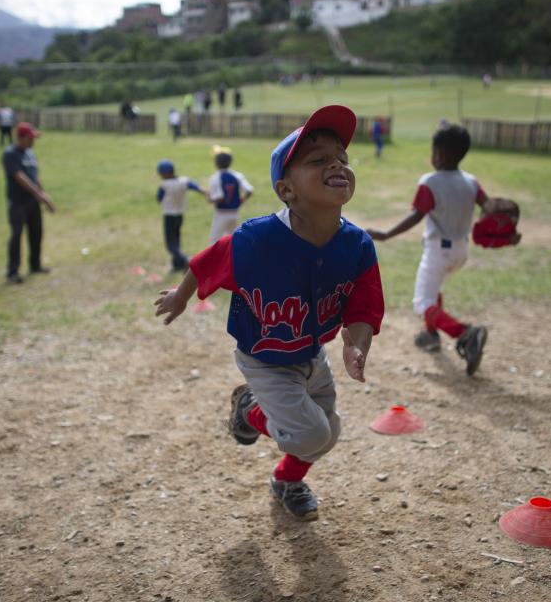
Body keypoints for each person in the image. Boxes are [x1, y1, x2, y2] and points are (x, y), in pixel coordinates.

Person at [154, 105, 384, 521]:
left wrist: (358, 343)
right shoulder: (254, 241)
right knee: (310, 432)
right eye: (317, 160)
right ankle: (250, 408)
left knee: (328, 433)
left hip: (312, 352)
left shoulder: (357, 246)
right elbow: (206, 262)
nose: (335, 163)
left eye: (341, 158)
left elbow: (364, 305)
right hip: (264, 359)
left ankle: (287, 481)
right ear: (287, 190)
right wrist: (181, 295)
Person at [366, 124, 490, 376]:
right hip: (461, 251)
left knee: (422, 302)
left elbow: (416, 216)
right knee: (434, 293)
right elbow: (489, 206)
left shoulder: (430, 182)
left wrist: (386, 234)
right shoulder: (471, 182)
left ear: (440, 155)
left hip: (438, 251)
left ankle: (464, 332)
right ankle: (431, 335)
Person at [2, 122, 55, 284]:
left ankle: (35, 265)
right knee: (17, 236)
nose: (33, 141)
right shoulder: (10, 154)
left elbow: (35, 175)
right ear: (21, 137)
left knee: (36, 233)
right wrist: (40, 195)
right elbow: (20, 177)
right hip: (18, 202)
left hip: (33, 201)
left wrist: (42, 192)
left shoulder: (30, 153)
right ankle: (12, 272)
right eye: (30, 138)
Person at [155, 159, 205, 273]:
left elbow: (158, 198)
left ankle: (186, 260)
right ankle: (177, 265)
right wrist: (205, 192)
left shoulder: (164, 185)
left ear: (165, 173)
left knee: (170, 245)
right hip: (179, 215)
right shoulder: (184, 181)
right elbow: (195, 187)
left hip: (169, 216)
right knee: (176, 240)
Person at [206, 145, 253, 244]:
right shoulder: (237, 175)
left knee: (215, 240)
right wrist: (241, 200)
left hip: (221, 214)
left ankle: (217, 259)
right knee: (232, 239)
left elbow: (219, 197)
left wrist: (209, 198)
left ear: (216, 163)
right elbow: (249, 190)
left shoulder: (215, 177)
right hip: (235, 212)